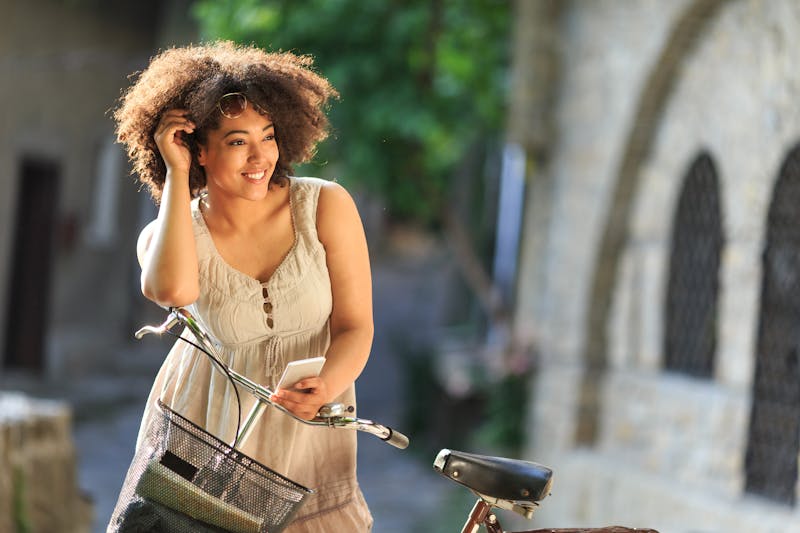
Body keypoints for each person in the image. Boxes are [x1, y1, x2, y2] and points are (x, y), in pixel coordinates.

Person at [108, 41, 374, 531]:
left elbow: (356, 325)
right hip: (208, 431)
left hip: (310, 430)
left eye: (268, 136)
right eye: (236, 141)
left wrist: (327, 387)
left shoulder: (326, 207)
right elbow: (173, 292)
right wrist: (176, 173)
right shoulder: (167, 235)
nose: (260, 157)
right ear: (198, 149)